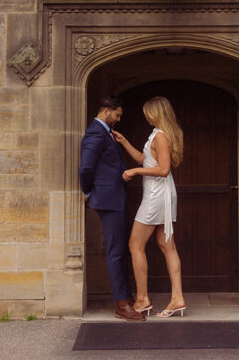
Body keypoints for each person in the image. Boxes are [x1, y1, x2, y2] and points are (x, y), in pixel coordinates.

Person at [114, 95, 186, 318]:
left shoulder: (161, 136)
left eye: (148, 112)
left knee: (135, 244)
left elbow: (163, 169)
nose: (145, 116)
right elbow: (145, 160)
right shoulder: (157, 134)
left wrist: (135, 173)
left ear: (155, 113)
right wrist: (125, 142)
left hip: (157, 195)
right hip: (160, 194)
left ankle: (143, 299)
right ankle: (177, 299)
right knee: (167, 245)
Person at [79, 96, 145, 322]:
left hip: (115, 197)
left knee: (120, 249)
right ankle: (122, 304)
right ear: (107, 111)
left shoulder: (105, 132)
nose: (118, 119)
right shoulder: (96, 133)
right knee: (116, 251)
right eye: (117, 115)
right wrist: (88, 192)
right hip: (107, 199)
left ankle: (125, 297)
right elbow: (86, 167)